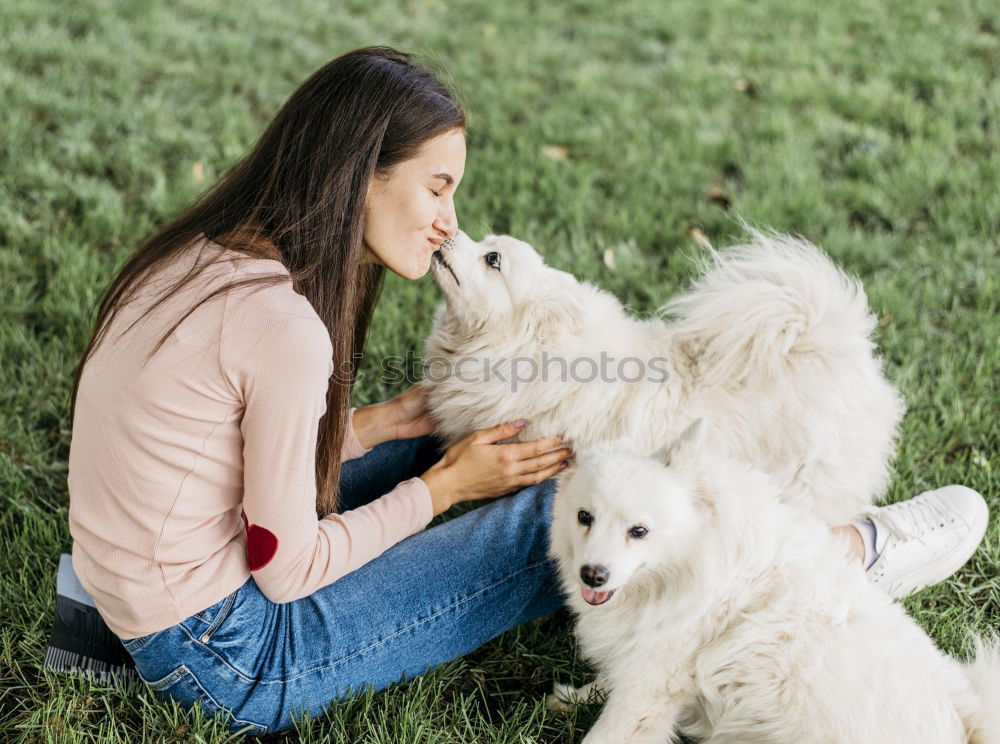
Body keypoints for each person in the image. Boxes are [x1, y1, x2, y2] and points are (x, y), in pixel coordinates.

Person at [66, 46, 988, 735]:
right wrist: (440, 490)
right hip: (228, 655)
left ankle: (763, 543)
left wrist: (380, 427)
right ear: (360, 171)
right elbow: (284, 566)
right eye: (435, 187)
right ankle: (828, 554)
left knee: (461, 434)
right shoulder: (287, 329)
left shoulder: (200, 258)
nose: (446, 221)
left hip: (132, 586)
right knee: (555, 492)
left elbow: (219, 444)